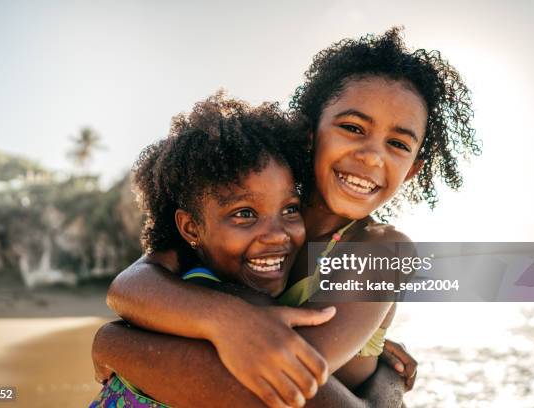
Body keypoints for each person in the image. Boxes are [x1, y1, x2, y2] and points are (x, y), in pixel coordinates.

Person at [93, 27, 480, 407]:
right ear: (310, 134)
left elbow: (276, 386)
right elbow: (132, 285)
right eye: (352, 127)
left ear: (412, 169)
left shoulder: (383, 249)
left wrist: (115, 342)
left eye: (397, 144)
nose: (372, 156)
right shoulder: (246, 211)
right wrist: (226, 319)